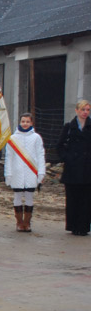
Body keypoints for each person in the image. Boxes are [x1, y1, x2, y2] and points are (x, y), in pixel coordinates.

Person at [5, 113, 47, 232]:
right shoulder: (12, 138)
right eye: (23, 121)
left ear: (31, 123)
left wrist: (41, 172)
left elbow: (40, 155)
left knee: (29, 197)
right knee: (17, 196)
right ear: (20, 122)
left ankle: (27, 223)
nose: (25, 124)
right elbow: (9, 157)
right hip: (17, 172)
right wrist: (8, 173)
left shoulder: (36, 138)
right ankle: (19, 222)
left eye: (27, 122)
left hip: (31, 172)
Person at [56, 100, 91, 236]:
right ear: (77, 110)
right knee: (72, 198)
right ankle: (72, 225)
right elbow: (59, 145)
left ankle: (83, 226)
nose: (85, 112)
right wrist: (67, 158)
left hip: (87, 169)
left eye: (87, 110)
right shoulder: (69, 127)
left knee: (86, 199)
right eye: (83, 109)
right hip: (72, 169)